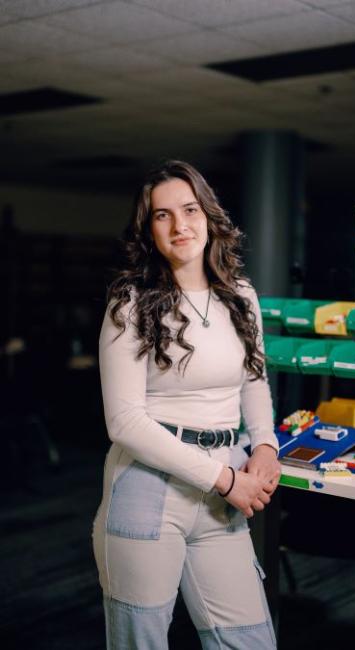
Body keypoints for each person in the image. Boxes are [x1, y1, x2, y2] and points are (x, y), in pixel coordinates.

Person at [92, 160, 281, 650]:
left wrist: (264, 445)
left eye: (190, 209)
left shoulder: (240, 296)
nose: (180, 225)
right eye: (162, 215)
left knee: (251, 642)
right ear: (147, 229)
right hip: (150, 491)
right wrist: (227, 480)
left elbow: (253, 380)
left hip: (224, 493)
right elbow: (125, 422)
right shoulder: (130, 303)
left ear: (208, 215)